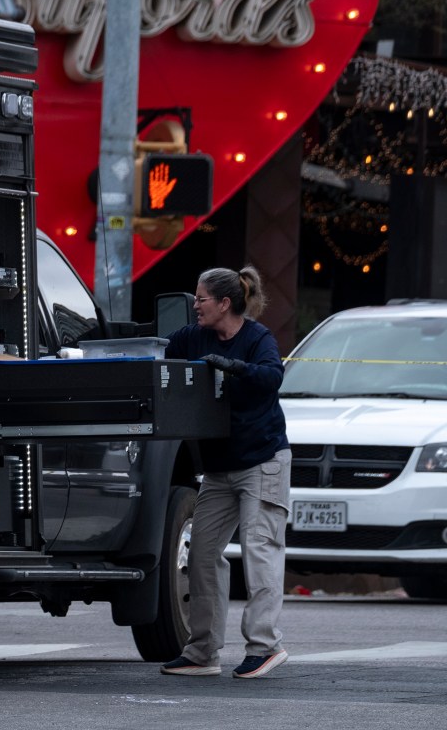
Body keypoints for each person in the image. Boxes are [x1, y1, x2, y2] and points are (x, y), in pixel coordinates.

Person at [159, 265, 291, 679]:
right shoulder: (191, 337)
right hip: (218, 467)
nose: (194, 305)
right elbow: (164, 358)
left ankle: (265, 646)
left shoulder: (257, 338)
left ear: (224, 303)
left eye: (201, 299)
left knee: (259, 549)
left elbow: (273, 377)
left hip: (262, 460)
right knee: (199, 553)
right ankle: (202, 651)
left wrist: (235, 370)